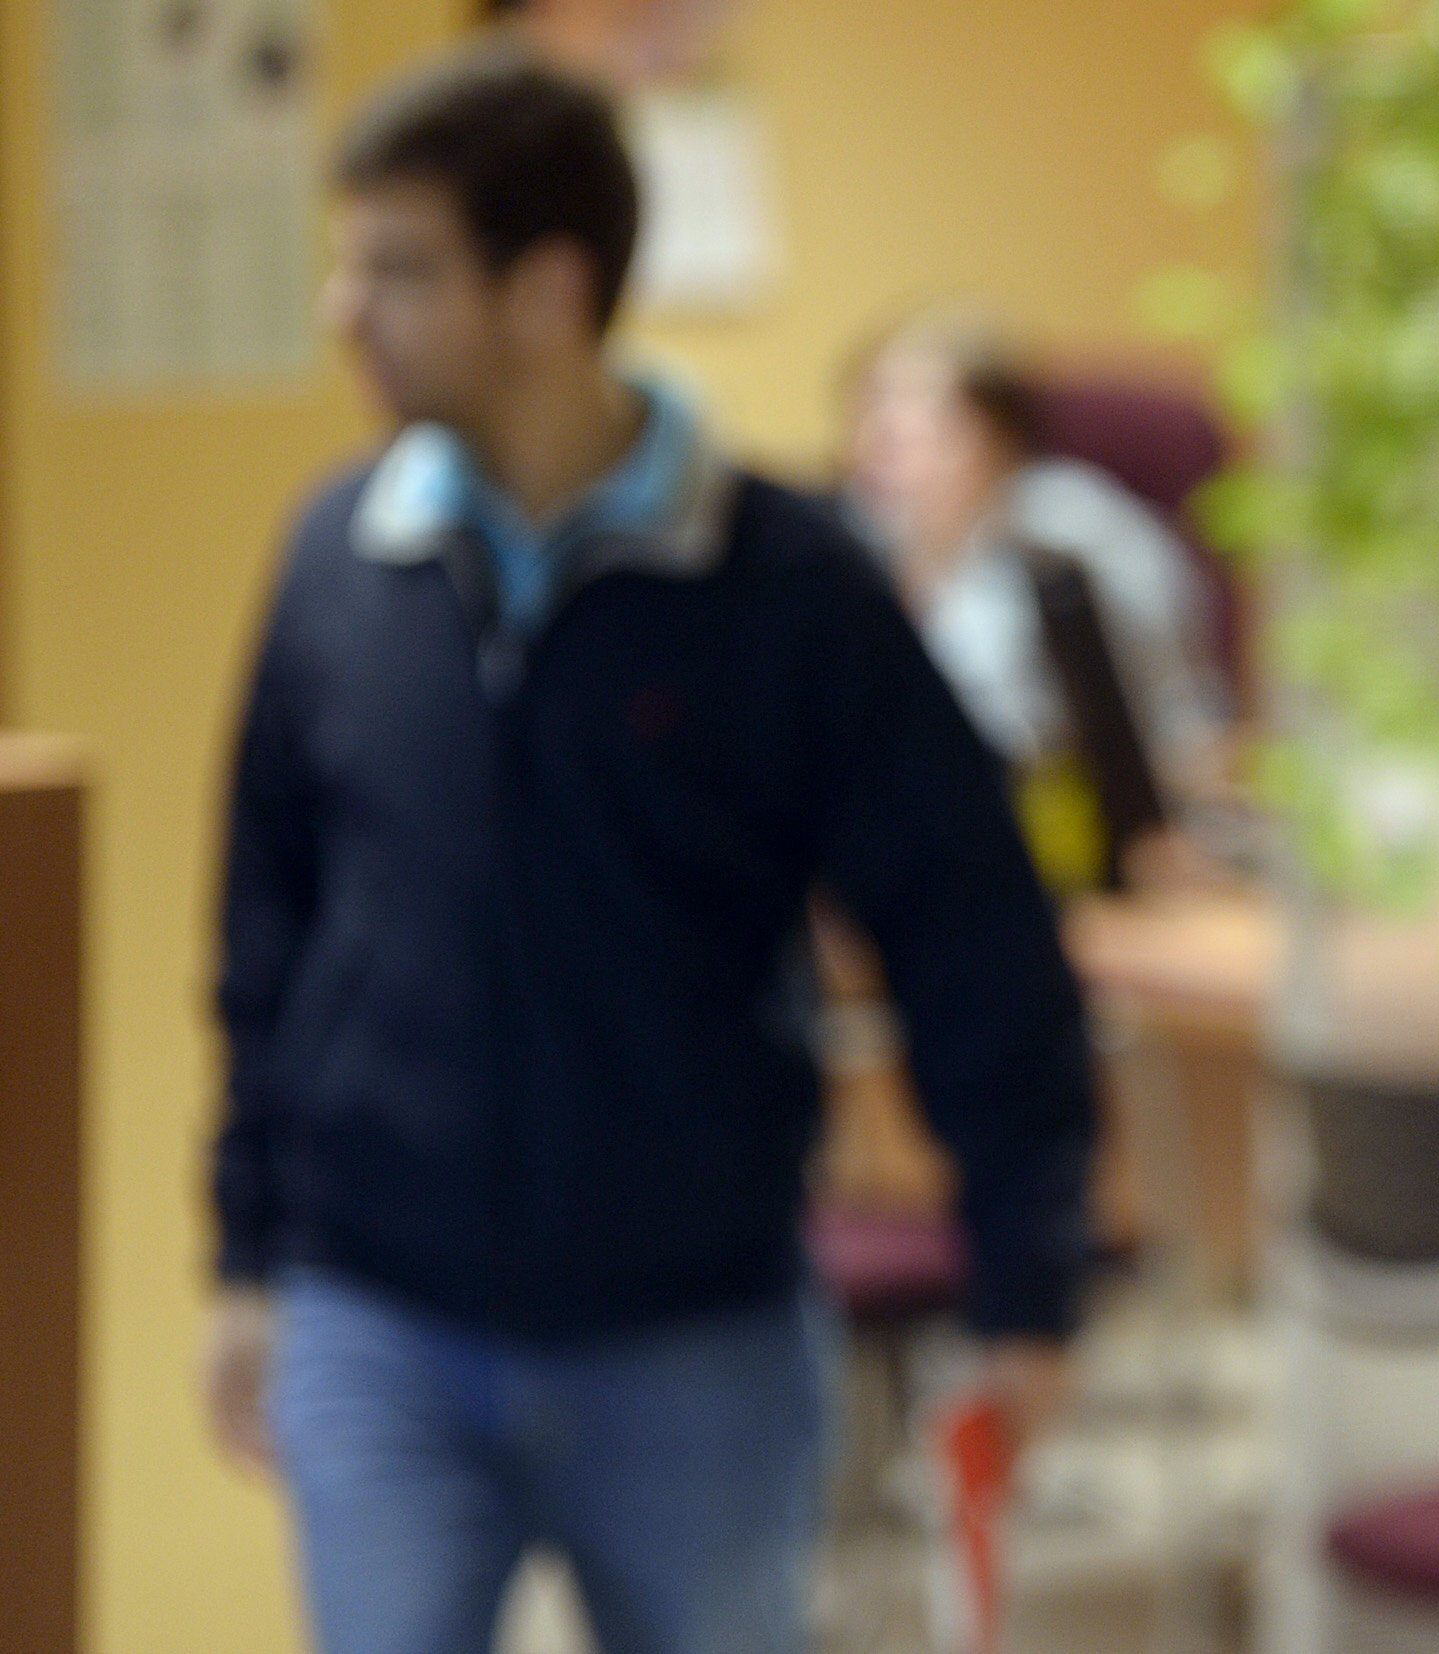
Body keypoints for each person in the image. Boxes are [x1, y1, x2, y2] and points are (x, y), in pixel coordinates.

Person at [201, 44, 1095, 1654]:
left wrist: (1024, 1279)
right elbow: (265, 932)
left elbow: (972, 929)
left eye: (398, 269)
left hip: (696, 1337)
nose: (347, 310)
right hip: (375, 1317)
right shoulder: (339, 560)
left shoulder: (789, 587)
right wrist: (244, 1256)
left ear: (547, 292)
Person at [838, 315, 1231, 801]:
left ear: (997, 434)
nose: (885, 440)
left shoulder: (1079, 536)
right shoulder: (843, 543)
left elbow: (1179, 715)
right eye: (871, 412)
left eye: (924, 419)